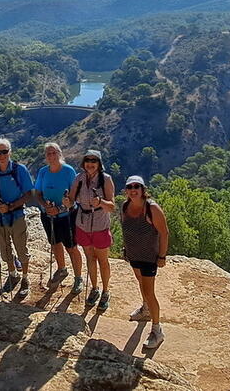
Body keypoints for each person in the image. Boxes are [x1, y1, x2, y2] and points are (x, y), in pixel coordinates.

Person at [120, 175, 169, 349]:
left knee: (149, 291)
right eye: (130, 187)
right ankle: (145, 309)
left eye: (137, 186)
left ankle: (157, 330)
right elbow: (126, 229)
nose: (133, 190)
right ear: (126, 190)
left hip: (149, 257)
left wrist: (162, 256)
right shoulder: (125, 206)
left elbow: (164, 233)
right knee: (141, 283)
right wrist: (125, 249)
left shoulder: (152, 208)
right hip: (134, 255)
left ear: (143, 189)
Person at [0, 138, 34, 297]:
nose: (2, 155)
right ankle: (13, 274)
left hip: (16, 215)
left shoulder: (20, 170)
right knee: (4, 249)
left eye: (4, 152)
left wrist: (11, 206)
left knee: (21, 249)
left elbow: (29, 194)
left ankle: (25, 278)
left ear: (10, 152)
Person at [65, 149, 115, 311]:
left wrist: (100, 202)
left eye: (94, 161)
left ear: (99, 164)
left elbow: (112, 206)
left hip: (100, 224)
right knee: (90, 257)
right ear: (83, 163)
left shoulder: (106, 179)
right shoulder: (79, 179)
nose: (90, 164)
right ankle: (95, 288)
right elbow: (71, 199)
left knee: (102, 260)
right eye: (88, 161)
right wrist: (66, 201)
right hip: (83, 223)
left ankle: (106, 291)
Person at [34, 143, 84, 294]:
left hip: (67, 216)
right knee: (55, 242)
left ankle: (78, 278)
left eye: (54, 153)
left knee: (71, 247)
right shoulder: (43, 172)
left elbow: (75, 196)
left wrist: (60, 209)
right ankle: (62, 269)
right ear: (45, 157)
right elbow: (37, 193)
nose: (51, 156)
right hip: (48, 215)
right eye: (48, 154)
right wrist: (46, 207)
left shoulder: (68, 171)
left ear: (60, 154)